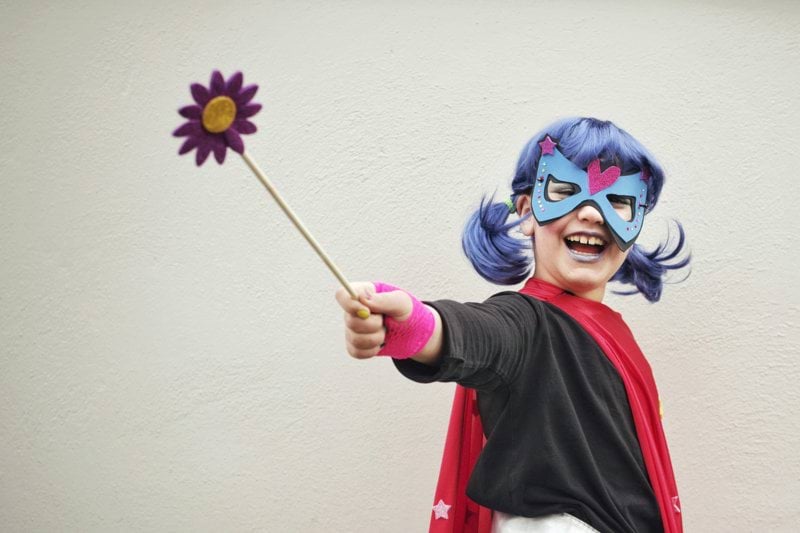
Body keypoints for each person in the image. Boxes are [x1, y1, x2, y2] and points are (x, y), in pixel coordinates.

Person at [336, 117, 689, 533]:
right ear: (526, 213)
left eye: (619, 202)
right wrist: (411, 326)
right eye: (564, 191)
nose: (593, 214)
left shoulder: (615, 334)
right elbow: (482, 333)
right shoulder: (526, 322)